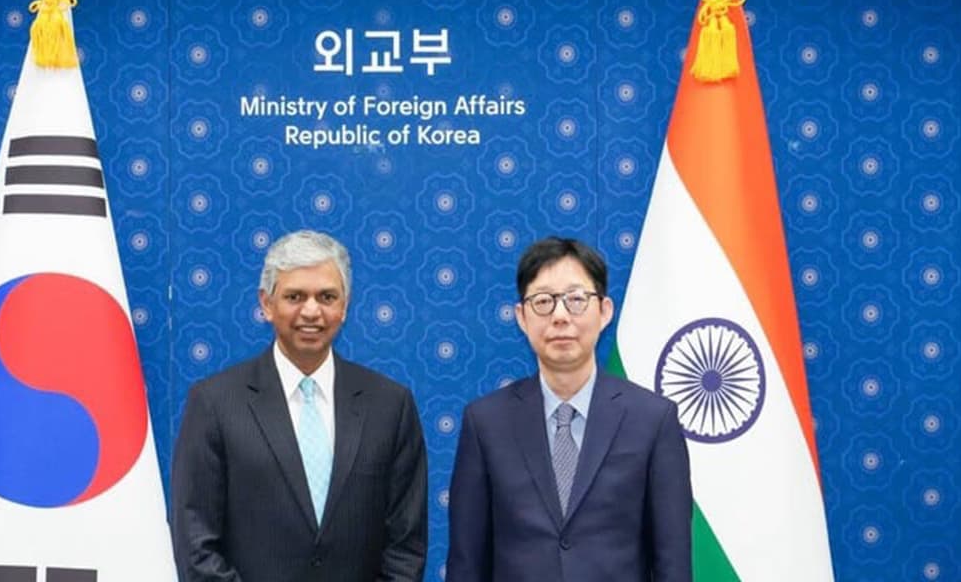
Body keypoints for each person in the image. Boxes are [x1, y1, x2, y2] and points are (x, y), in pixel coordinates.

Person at [171, 230, 428, 582]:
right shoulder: (215, 402)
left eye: (326, 296)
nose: (311, 311)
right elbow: (196, 541)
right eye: (295, 296)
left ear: (345, 306)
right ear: (266, 304)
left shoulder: (390, 405)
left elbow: (406, 546)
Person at [446, 237, 692, 581]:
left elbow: (673, 563)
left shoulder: (653, 420)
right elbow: (467, 562)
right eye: (543, 301)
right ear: (521, 317)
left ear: (605, 311)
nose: (560, 316)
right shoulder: (485, 423)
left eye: (576, 300)